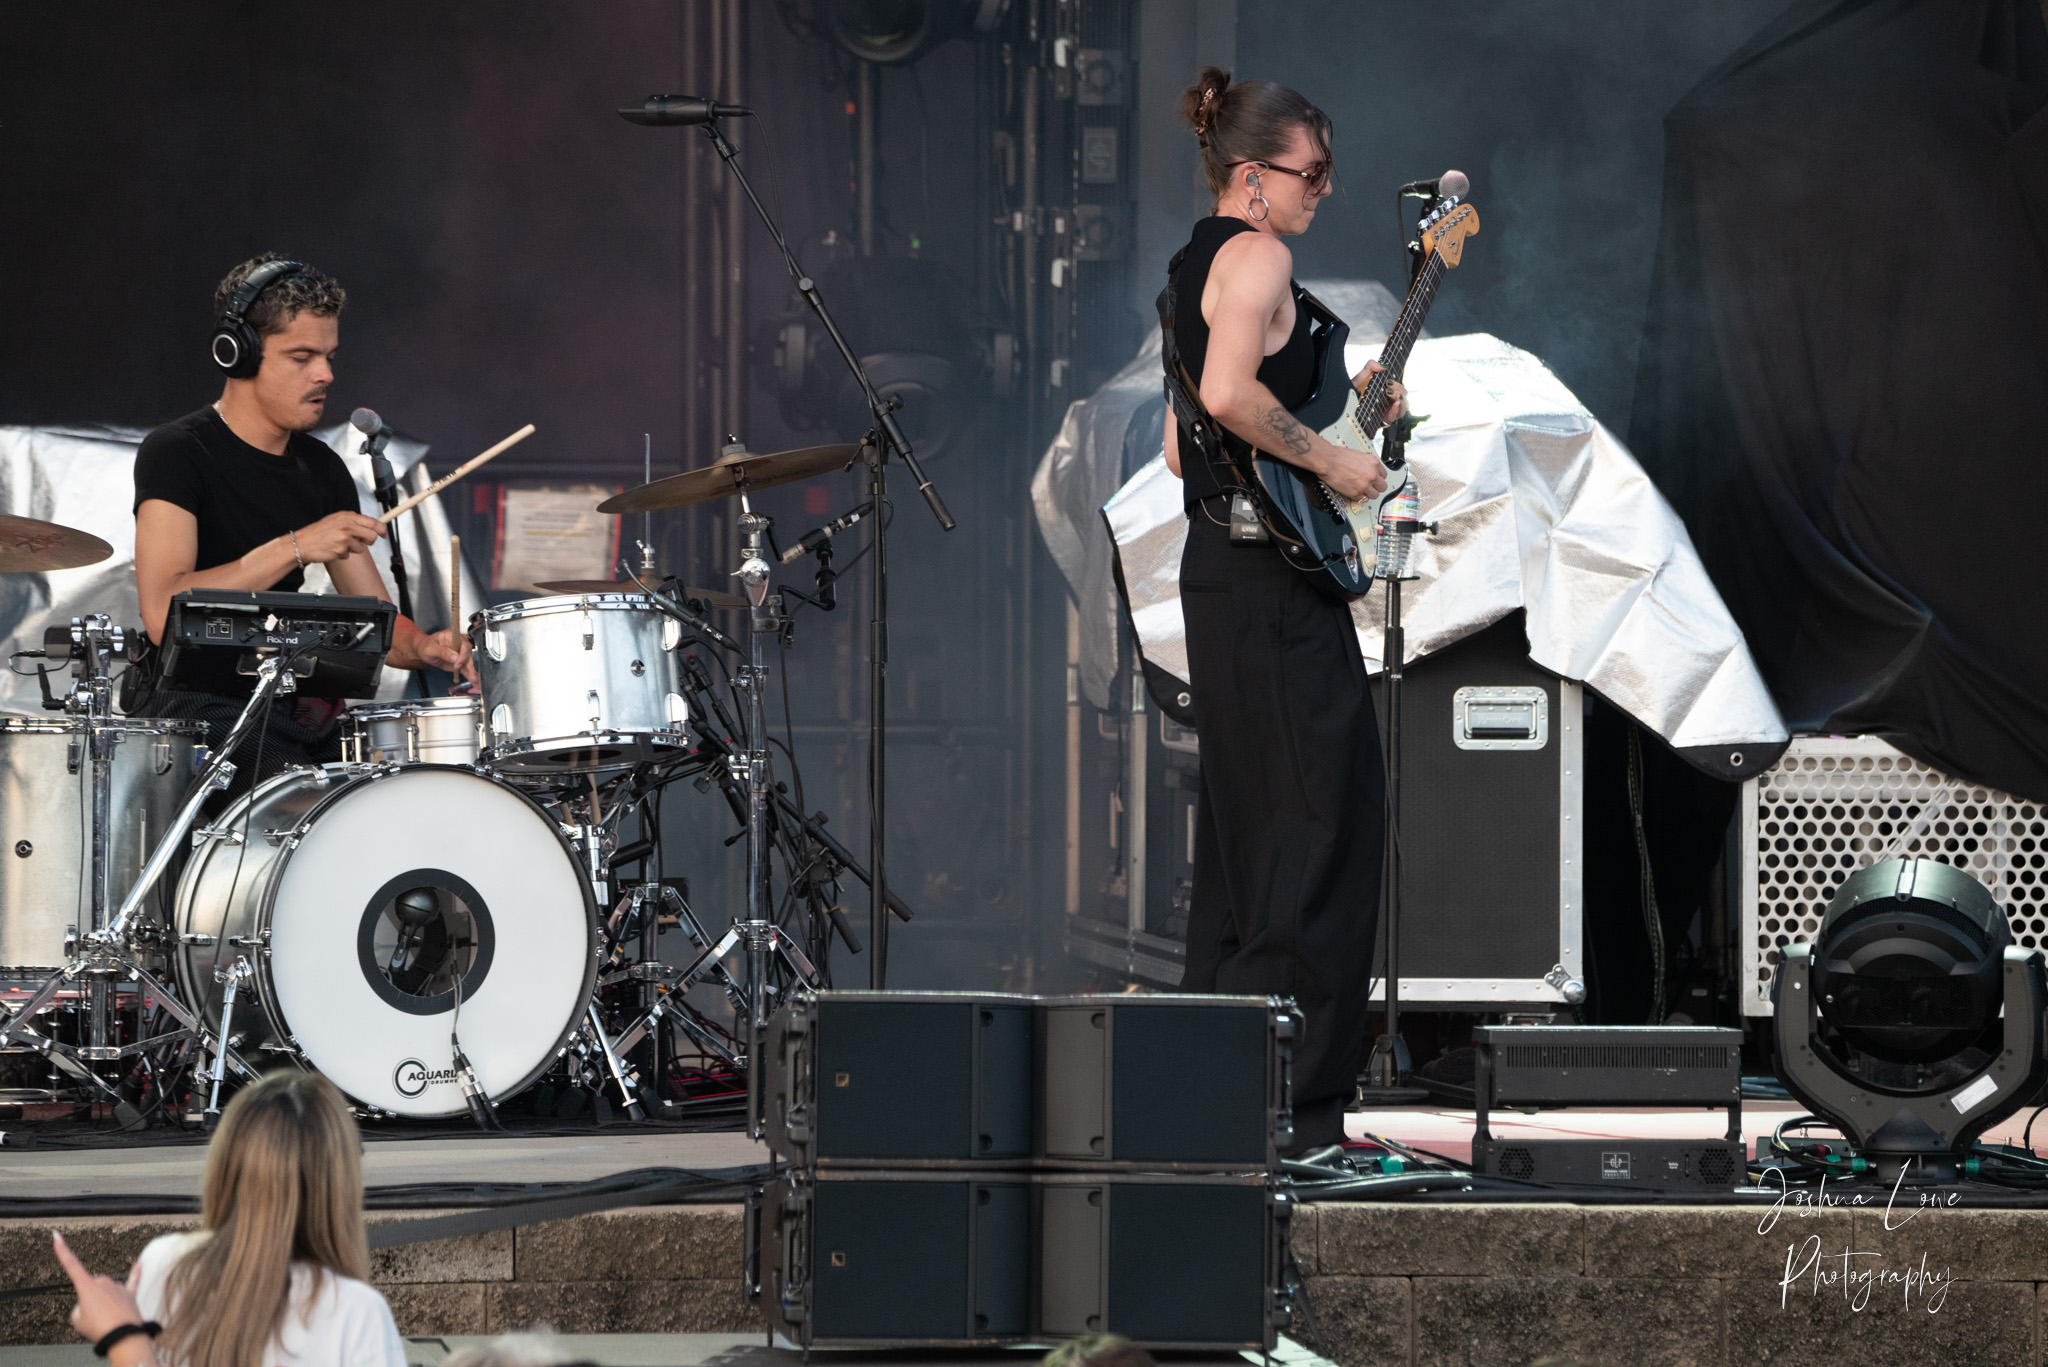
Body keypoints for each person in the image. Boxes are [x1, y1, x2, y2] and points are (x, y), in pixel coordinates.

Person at [1160, 67, 1405, 1155]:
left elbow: (1186, 449)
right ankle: (1293, 1111)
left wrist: (1344, 418)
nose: (1325, 189)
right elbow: (1224, 398)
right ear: (1252, 176)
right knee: (1321, 828)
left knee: (1248, 841)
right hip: (1265, 585)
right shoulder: (1259, 255)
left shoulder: (1190, 268)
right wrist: (1331, 462)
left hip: (1224, 573)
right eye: (1313, 172)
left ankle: (1213, 1096)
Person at [128, 252, 474, 787]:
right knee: (302, 802)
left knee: (379, 793)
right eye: (302, 356)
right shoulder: (178, 452)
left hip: (291, 703)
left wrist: (425, 647)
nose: (325, 374)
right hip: (197, 708)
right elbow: (161, 612)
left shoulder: (323, 468)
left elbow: (377, 622)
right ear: (238, 354)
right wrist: (295, 546)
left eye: (329, 356)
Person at [51, 1070, 406, 1367]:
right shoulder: (357, 1312)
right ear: (341, 1183)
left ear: (224, 1167)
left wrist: (124, 1340)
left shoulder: (165, 1263)